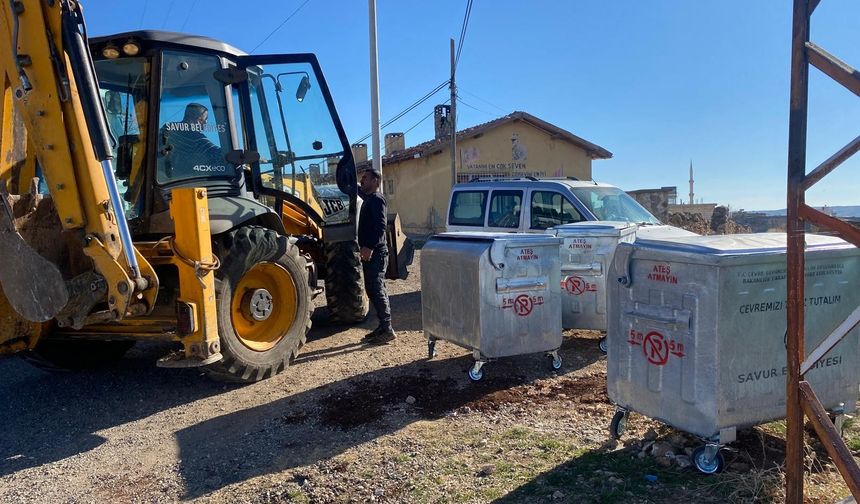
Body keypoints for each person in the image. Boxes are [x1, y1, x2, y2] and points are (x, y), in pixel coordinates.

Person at [358, 168, 395, 345]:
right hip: (371, 251)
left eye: (365, 178)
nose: (362, 180)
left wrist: (370, 247)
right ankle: (382, 326)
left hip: (377, 252)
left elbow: (380, 227)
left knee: (376, 288)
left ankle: (387, 329)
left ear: (376, 182)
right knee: (373, 288)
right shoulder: (369, 199)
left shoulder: (377, 200)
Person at [160, 103, 226, 179]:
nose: (204, 127)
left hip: (162, 176)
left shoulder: (167, 127)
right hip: (181, 180)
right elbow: (216, 153)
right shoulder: (196, 138)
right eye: (205, 122)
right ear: (199, 120)